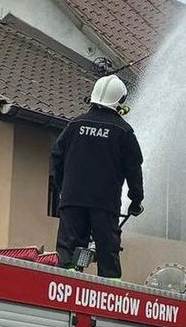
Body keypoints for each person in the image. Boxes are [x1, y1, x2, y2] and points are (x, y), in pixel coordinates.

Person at [51, 74, 144, 279]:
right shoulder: (123, 131)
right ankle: (109, 302)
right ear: (120, 100)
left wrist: (62, 189)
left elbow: (56, 157)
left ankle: (66, 289)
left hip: (72, 201)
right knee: (107, 255)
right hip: (104, 204)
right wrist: (136, 200)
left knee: (67, 253)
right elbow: (134, 169)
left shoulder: (75, 125)